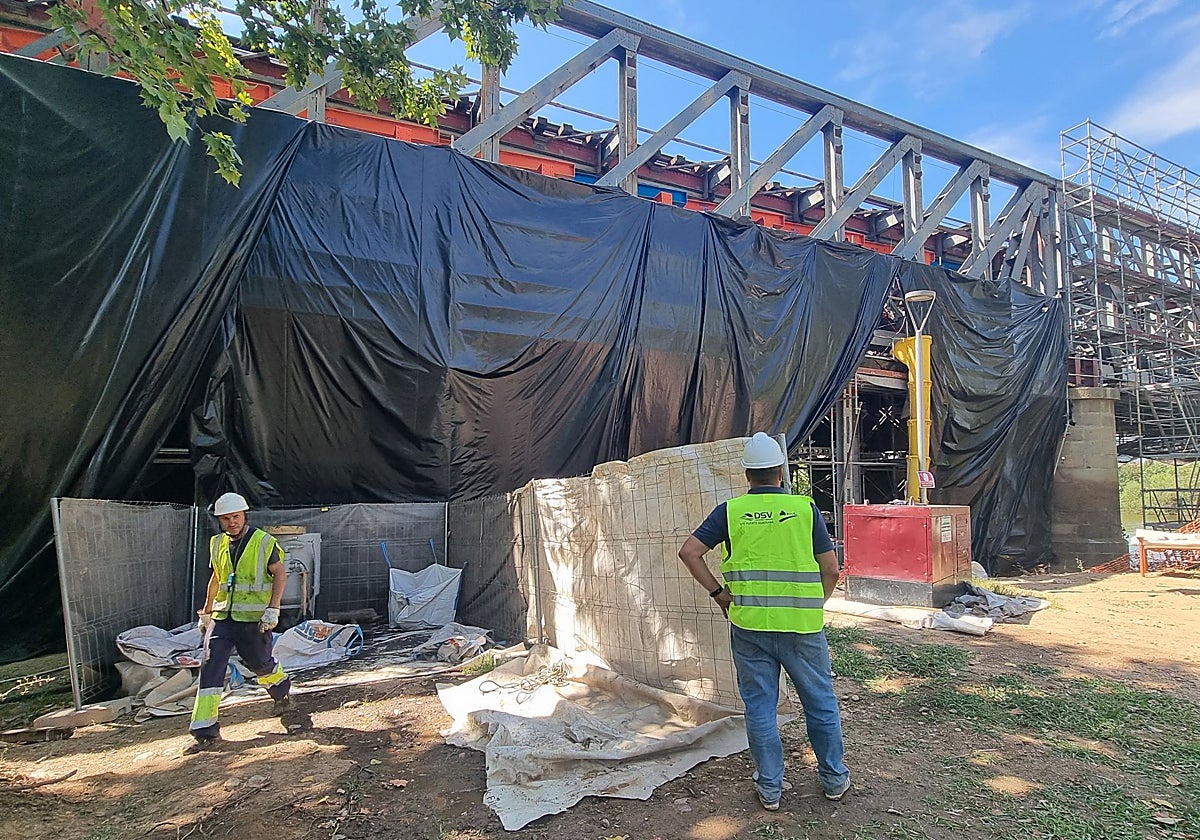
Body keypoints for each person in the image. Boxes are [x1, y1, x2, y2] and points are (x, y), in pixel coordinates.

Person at [678, 432, 850, 810]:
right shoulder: (806, 511)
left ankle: (770, 789)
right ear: (781, 471)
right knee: (820, 703)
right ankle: (834, 780)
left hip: (750, 626)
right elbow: (832, 570)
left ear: (747, 474)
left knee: (759, 708)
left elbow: (689, 552)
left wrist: (719, 595)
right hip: (802, 630)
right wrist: (812, 604)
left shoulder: (731, 512)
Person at [186, 492, 292, 753]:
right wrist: (208, 609)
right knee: (210, 667)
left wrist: (273, 608)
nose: (231, 522)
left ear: (245, 515)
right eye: (225, 518)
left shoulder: (264, 542)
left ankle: (281, 689)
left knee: (260, 664)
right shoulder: (216, 543)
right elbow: (217, 578)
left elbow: (279, 574)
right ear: (219, 520)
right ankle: (205, 731)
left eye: (235, 516)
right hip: (223, 618)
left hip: (253, 619)